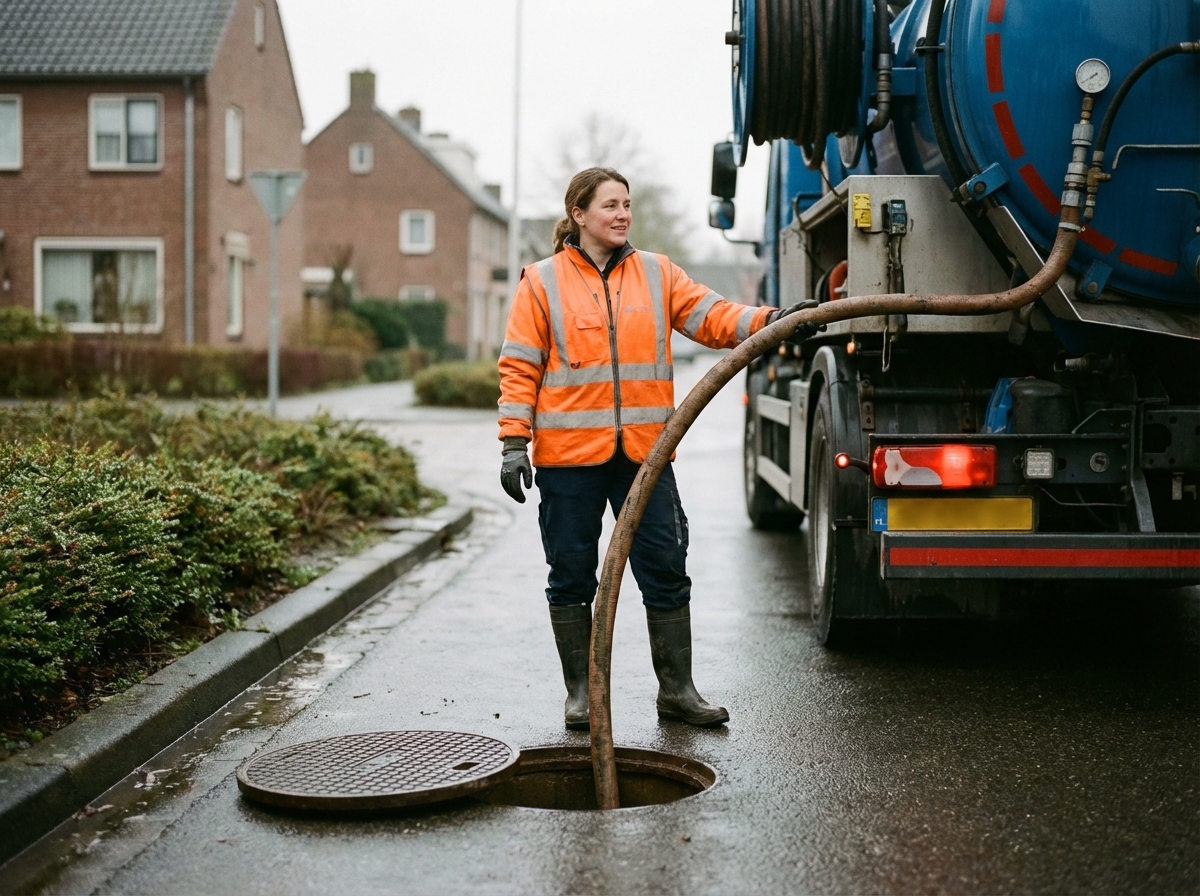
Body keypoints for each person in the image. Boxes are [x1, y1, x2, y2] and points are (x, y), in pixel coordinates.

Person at [497, 167, 801, 730]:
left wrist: (773, 321)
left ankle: (677, 692)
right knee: (571, 575)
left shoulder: (658, 274)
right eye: (609, 205)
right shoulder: (540, 282)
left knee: (664, 567)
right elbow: (519, 364)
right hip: (569, 463)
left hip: (645, 456)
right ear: (579, 214)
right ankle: (582, 696)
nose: (622, 214)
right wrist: (515, 442)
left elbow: (713, 317)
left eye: (627, 204)